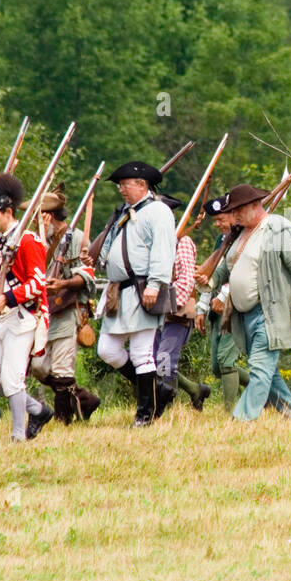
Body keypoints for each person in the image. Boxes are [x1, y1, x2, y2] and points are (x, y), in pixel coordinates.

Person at [205, 184, 291, 421]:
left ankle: (241, 419)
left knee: (260, 370)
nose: (235, 215)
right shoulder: (241, 233)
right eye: (233, 211)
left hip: (270, 311)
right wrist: (210, 278)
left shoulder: (278, 228)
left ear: (255, 206)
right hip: (245, 315)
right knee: (267, 372)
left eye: (239, 210)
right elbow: (227, 266)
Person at [0, 173, 53, 441]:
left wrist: (7, 298)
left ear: (8, 212)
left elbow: (38, 282)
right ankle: (38, 410)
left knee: (12, 379)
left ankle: (18, 435)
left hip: (22, 316)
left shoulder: (29, 241)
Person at [95, 161, 176, 427]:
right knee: (107, 350)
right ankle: (158, 390)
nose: (120, 189)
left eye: (125, 184)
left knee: (142, 353)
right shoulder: (126, 212)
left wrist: (155, 284)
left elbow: (163, 250)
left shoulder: (158, 211)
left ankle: (145, 414)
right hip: (120, 291)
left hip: (143, 289)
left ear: (142, 185)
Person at [32, 187, 101, 423]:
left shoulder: (77, 238)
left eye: (39, 216)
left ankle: (63, 421)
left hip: (69, 311)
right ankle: (85, 400)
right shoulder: (43, 240)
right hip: (47, 312)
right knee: (38, 366)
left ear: (48, 216)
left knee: (62, 369)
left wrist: (61, 283)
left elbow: (86, 276)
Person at [189, 196, 250, 410]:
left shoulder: (246, 239)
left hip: (235, 305)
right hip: (216, 308)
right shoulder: (221, 241)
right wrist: (201, 308)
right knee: (217, 368)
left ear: (234, 215)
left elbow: (244, 273)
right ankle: (262, 390)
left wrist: (224, 296)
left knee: (226, 362)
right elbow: (211, 274)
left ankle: (230, 411)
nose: (217, 224)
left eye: (221, 219)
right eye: (215, 220)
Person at [151, 194, 206, 414]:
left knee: (164, 359)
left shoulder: (182, 242)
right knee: (157, 359)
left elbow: (185, 279)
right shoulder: (158, 242)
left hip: (176, 311)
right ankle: (194, 390)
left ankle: (167, 406)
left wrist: (171, 306)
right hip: (156, 309)